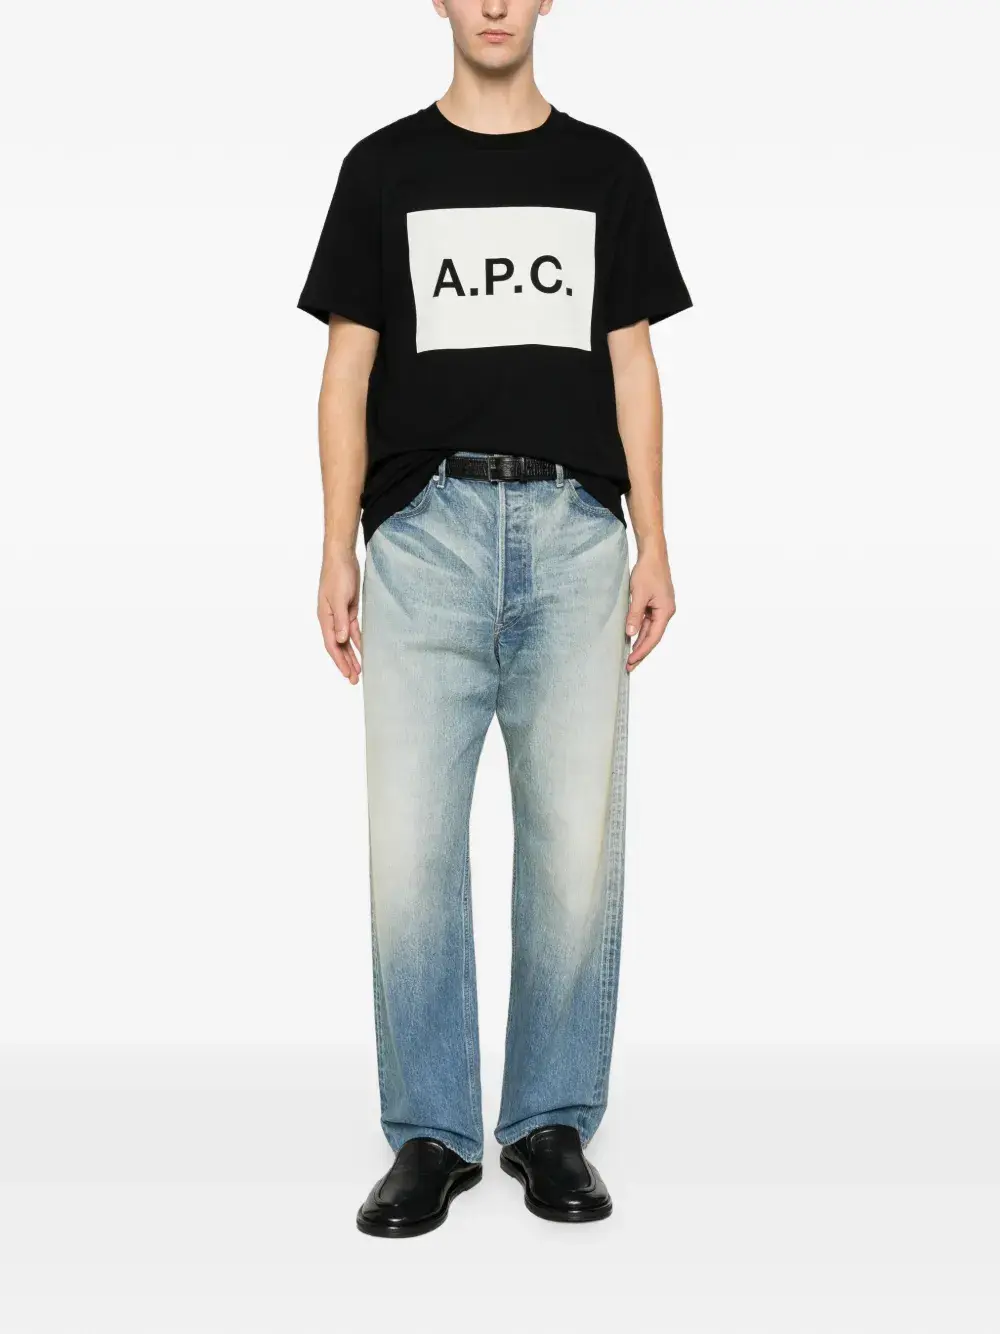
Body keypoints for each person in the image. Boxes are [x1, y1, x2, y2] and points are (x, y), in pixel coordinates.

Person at [297, 0, 691, 1238]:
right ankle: (430, 1132)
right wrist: (335, 543)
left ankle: (547, 1120)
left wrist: (655, 537)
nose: (495, 2)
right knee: (411, 841)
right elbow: (347, 368)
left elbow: (631, 360)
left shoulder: (605, 170)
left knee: (573, 841)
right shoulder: (382, 169)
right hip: (424, 535)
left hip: (576, 534)